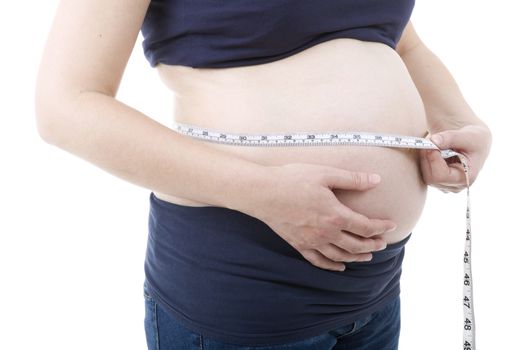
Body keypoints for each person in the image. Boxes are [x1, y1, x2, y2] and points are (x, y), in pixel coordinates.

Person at [35, 1, 492, 349]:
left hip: (377, 289)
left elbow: (400, 40)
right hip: (242, 288)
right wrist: (261, 191)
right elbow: (65, 106)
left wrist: (455, 119)